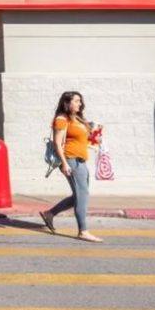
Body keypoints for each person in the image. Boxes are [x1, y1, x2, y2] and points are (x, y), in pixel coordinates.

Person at [39, 91, 103, 243]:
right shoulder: (61, 119)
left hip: (81, 160)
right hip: (71, 160)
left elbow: (83, 139)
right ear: (66, 103)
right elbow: (57, 142)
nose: (79, 104)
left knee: (79, 195)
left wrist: (95, 138)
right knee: (82, 195)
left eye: (80, 101)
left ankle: (50, 214)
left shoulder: (78, 119)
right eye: (76, 101)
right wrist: (64, 163)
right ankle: (83, 231)